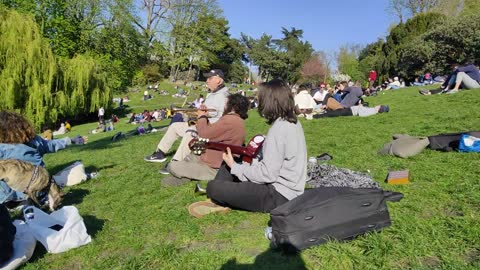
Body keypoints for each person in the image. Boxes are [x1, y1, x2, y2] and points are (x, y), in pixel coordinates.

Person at [188, 79, 307, 217]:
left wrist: (235, 167)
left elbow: (267, 174)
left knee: (213, 187)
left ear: (269, 101)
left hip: (279, 195)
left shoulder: (280, 129)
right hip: (284, 189)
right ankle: (223, 198)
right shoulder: (291, 122)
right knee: (233, 161)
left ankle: (221, 198)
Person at [162, 94, 249, 186]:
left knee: (171, 166)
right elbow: (212, 132)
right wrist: (205, 117)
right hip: (210, 160)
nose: (224, 106)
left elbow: (204, 134)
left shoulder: (230, 120)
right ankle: (187, 174)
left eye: (226, 104)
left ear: (233, 106)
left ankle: (187, 174)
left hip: (213, 168)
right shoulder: (235, 120)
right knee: (189, 158)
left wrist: (201, 116)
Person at [144, 69, 229, 163]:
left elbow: (219, 117)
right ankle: (159, 153)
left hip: (210, 130)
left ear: (219, 80)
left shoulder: (224, 96)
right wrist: (188, 113)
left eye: (210, 78)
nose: (207, 80)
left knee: (190, 132)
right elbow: (204, 112)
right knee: (174, 126)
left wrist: (202, 115)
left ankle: (176, 162)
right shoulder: (212, 94)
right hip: (201, 124)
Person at [313, 105, 390, 118]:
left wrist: (360, 107)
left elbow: (361, 114)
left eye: (379, 105)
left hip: (351, 112)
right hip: (351, 109)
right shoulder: (372, 109)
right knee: (336, 111)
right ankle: (319, 114)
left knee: (334, 113)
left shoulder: (372, 111)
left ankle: (314, 116)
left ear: (379, 108)